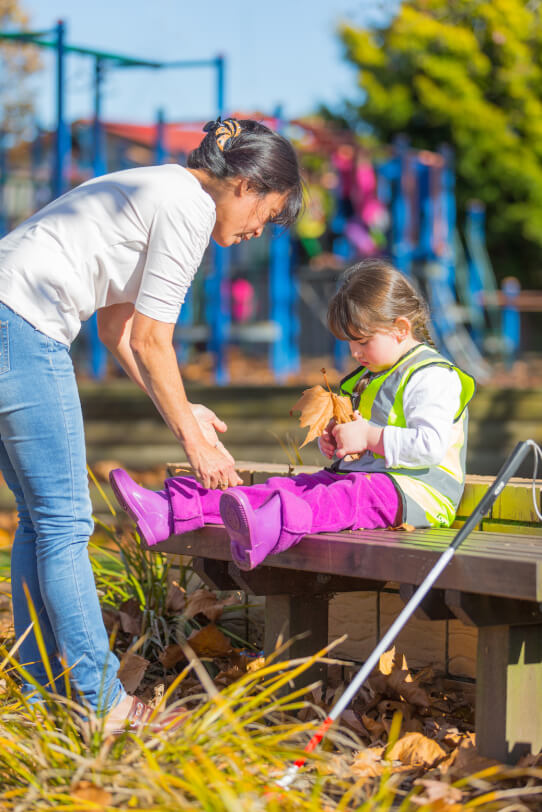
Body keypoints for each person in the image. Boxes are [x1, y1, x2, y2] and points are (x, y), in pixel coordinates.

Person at [0, 117, 302, 732]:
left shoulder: (158, 188)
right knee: (65, 523)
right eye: (266, 215)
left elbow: (118, 332)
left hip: (10, 317)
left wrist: (183, 409)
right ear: (244, 184)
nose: (256, 232)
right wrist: (194, 442)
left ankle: (43, 696)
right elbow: (153, 340)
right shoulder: (190, 206)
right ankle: (103, 705)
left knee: (40, 521)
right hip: (23, 326)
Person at [110, 258, 476, 574]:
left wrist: (368, 438)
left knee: (345, 496)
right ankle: (170, 510)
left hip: (419, 495)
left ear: (400, 329)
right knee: (287, 488)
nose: (354, 352)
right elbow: (366, 437)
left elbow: (430, 446)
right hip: (371, 482)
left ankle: (273, 526)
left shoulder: (432, 377)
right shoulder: (374, 373)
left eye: (363, 341)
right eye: (350, 343)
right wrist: (338, 441)